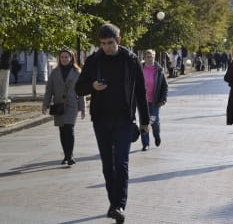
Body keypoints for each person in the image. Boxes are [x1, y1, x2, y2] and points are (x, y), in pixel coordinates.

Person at [75, 23, 150, 224]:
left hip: (124, 120)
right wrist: (92, 86)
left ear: (119, 40)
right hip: (101, 120)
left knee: (121, 163)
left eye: (110, 43)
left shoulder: (131, 60)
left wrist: (145, 121)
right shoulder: (94, 60)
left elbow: (141, 92)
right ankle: (113, 202)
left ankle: (119, 205)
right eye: (103, 44)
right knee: (108, 165)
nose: (107, 47)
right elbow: (78, 88)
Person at [42, 49, 86, 165]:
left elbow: (81, 92)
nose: (64, 59)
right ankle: (66, 155)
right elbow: (49, 90)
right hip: (59, 105)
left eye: (66, 57)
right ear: (59, 58)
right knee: (62, 130)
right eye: (62, 57)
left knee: (69, 129)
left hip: (72, 105)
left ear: (71, 58)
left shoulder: (77, 72)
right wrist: (45, 104)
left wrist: (82, 108)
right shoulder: (54, 72)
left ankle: (70, 156)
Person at [140, 49, 168, 151]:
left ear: (154, 57)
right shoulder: (140, 69)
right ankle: (145, 144)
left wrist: (163, 98)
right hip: (142, 100)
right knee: (144, 121)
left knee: (154, 120)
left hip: (155, 101)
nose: (150, 59)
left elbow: (165, 86)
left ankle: (156, 135)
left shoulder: (159, 70)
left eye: (152, 56)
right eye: (148, 57)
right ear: (144, 58)